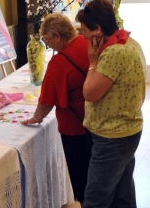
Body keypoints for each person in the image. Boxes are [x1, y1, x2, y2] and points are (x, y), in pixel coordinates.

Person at [75, 0, 146, 208]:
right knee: (122, 195)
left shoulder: (114, 53)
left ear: (97, 29)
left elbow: (90, 93)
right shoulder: (129, 42)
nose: (83, 35)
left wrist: (93, 62)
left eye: (85, 31)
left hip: (113, 136)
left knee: (96, 198)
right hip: (127, 130)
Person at [21, 13, 91, 207]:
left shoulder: (60, 62)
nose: (48, 45)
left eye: (48, 40)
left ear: (58, 36)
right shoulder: (88, 44)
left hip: (74, 129)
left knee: (81, 178)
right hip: (94, 123)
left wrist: (35, 118)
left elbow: (46, 101)